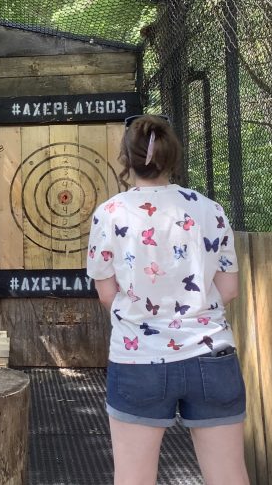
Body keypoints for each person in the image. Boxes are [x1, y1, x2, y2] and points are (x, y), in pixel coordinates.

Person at [86, 115, 249, 485]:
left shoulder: (110, 214)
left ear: (126, 160)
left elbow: (106, 293)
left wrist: (144, 315)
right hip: (212, 358)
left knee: (133, 478)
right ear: (173, 156)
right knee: (228, 476)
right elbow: (229, 289)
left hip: (138, 360)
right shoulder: (210, 210)